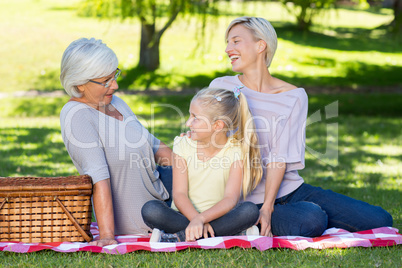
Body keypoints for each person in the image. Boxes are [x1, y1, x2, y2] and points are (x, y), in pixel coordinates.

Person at [209, 16, 393, 237]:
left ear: (260, 45)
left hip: (290, 190)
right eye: (228, 42)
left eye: (236, 41)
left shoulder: (294, 96)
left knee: (380, 220)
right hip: (243, 200)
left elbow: (280, 156)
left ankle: (267, 217)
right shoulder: (221, 87)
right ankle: (248, 219)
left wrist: (269, 207)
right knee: (311, 220)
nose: (228, 48)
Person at [59, 38, 173, 247]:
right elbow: (98, 175)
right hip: (146, 217)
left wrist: (195, 165)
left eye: (115, 75)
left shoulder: (115, 102)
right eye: (106, 81)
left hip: (163, 195)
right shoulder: (75, 115)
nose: (115, 85)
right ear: (79, 83)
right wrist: (107, 235)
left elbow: (155, 146)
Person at [141, 87, 263, 242]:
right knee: (151, 210)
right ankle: (224, 234)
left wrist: (202, 219)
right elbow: (179, 194)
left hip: (220, 216)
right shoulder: (183, 144)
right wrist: (196, 220)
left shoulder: (235, 150)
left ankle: (180, 236)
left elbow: (230, 199)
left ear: (217, 125)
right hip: (184, 216)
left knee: (250, 211)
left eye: (195, 117)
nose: (188, 122)